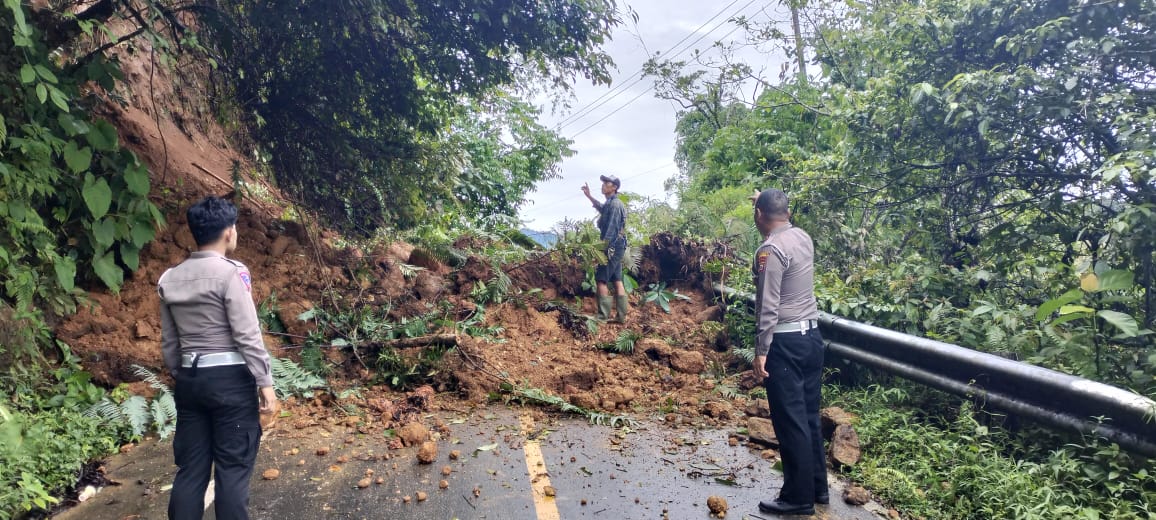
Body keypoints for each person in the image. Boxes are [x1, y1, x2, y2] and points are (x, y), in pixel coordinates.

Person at [158, 196, 278, 520]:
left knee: (191, 471)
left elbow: (170, 342)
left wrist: (182, 377)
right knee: (232, 471)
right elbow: (247, 333)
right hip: (230, 385)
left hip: (189, 380)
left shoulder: (169, 279)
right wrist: (265, 383)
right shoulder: (232, 274)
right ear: (228, 233)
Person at [750, 188, 827, 516]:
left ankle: (797, 498)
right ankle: (817, 488)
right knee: (809, 416)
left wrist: (761, 350)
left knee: (790, 420)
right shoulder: (803, 237)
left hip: (785, 344)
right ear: (788, 212)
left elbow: (768, 305)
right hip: (812, 339)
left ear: (759, 216)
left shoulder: (770, 249)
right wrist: (761, 202)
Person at [581, 174, 629, 322]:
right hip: (618, 245)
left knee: (601, 279)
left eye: (606, 183)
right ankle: (621, 317)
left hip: (613, 245)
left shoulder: (614, 205)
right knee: (617, 279)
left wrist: (605, 248)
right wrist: (589, 196)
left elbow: (612, 228)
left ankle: (602, 317)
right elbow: (602, 208)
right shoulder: (611, 203)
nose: (603, 185)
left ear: (614, 187)